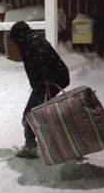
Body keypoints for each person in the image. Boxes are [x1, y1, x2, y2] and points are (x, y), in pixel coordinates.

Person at [9, 21, 70, 159]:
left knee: (30, 115)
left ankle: (31, 148)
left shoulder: (32, 43)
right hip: (47, 82)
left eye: (15, 40)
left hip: (49, 82)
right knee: (44, 114)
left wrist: (47, 77)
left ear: (19, 36)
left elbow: (42, 58)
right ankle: (68, 144)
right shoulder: (33, 40)